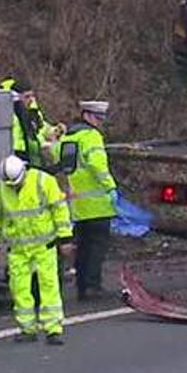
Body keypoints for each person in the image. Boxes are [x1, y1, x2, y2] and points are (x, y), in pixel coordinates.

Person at [0, 155, 74, 344]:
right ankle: (27, 328)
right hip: (18, 248)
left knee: (49, 287)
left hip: (44, 246)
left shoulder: (44, 182)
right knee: (19, 289)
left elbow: (59, 210)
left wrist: (65, 237)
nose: (13, 186)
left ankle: (53, 329)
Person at [60, 100, 117, 300]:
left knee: (82, 247)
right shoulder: (91, 137)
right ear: (87, 115)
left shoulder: (69, 136)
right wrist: (110, 187)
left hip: (78, 204)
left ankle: (83, 287)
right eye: (97, 117)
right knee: (96, 247)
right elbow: (98, 165)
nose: (100, 122)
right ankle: (93, 286)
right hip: (97, 204)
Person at [0, 76, 62, 166]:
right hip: (16, 157)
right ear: (17, 98)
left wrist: (54, 131)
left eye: (32, 96)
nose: (31, 100)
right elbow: (24, 138)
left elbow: (40, 127)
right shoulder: (10, 115)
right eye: (27, 97)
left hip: (32, 156)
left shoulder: (32, 112)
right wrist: (43, 144)